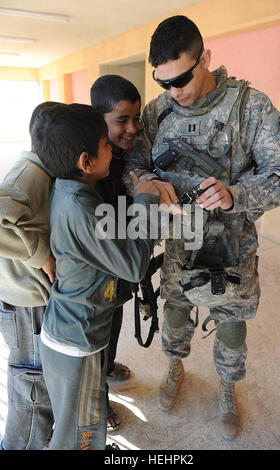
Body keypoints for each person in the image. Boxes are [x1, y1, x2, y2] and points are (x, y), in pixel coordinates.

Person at [124, 15, 280, 441]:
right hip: (181, 245)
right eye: (163, 82)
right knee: (175, 311)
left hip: (232, 245)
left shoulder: (251, 107)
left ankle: (226, 387)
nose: (173, 91)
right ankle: (173, 369)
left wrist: (235, 194)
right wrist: (151, 185)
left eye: (181, 78)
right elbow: (132, 167)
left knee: (232, 323)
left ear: (206, 59)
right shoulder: (157, 112)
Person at [31, 102, 160, 450]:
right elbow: (134, 265)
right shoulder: (83, 211)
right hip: (78, 343)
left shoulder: (68, 192)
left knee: (74, 421)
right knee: (83, 431)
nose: (113, 148)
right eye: (107, 144)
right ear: (86, 161)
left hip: (67, 331)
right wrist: (146, 202)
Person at [0, 101, 59, 450]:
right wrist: (41, 253)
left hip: (28, 301)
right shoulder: (28, 174)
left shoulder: (40, 172)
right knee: (34, 390)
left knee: (39, 384)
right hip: (26, 306)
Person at [90, 75, 142, 432]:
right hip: (97, 276)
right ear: (99, 120)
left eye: (135, 118)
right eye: (121, 120)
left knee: (114, 326)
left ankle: (108, 367)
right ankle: (98, 399)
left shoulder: (124, 156)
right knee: (95, 340)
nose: (132, 128)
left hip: (119, 273)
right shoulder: (88, 166)